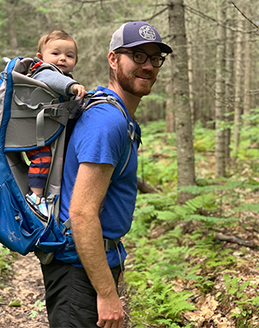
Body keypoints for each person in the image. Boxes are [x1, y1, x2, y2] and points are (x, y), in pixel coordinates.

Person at [41, 21, 173, 327]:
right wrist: (105, 292)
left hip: (90, 264)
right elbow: (83, 213)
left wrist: (115, 261)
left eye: (155, 58)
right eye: (137, 56)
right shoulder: (108, 122)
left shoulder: (120, 116)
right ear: (113, 59)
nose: (148, 66)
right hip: (77, 273)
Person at [25, 30, 86, 221]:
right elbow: (54, 80)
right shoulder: (44, 72)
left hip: (47, 132)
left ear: (75, 61)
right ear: (40, 57)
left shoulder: (63, 77)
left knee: (52, 162)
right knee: (42, 159)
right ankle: (35, 197)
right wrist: (72, 86)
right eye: (56, 53)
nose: (62, 59)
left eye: (69, 55)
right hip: (33, 132)